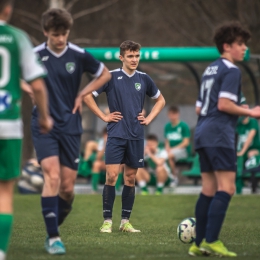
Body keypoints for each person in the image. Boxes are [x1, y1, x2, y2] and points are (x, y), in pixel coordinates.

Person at [31, 8, 111, 255]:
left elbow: (105, 74)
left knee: (67, 188)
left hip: (71, 126)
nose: (61, 39)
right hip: (44, 124)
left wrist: (83, 92)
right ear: (46, 32)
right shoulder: (33, 55)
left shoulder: (78, 55)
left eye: (64, 33)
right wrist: (30, 89)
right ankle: (54, 237)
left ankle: (52, 226)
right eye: (56, 34)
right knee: (52, 176)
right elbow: (19, 78)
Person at [188, 22, 260, 257]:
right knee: (227, 188)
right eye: (240, 44)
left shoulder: (210, 69)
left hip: (202, 131)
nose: (244, 49)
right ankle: (212, 240)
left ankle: (197, 244)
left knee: (209, 189)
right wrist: (249, 112)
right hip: (219, 134)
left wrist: (236, 107)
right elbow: (223, 105)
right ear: (227, 46)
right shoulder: (232, 70)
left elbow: (201, 108)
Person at [84, 40, 165, 233]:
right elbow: (87, 95)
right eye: (130, 56)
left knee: (130, 178)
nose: (134, 59)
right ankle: (107, 222)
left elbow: (160, 100)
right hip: (116, 135)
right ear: (121, 57)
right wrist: (104, 116)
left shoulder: (144, 78)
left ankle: (125, 222)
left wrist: (148, 117)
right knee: (112, 176)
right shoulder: (110, 76)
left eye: (137, 56)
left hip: (136, 136)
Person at [0, 1, 53, 259]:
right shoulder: (17, 38)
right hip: (8, 124)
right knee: (4, 192)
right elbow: (39, 86)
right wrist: (44, 116)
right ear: (7, 9)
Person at [164, 105, 191, 186]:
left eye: (174, 114)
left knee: (169, 155)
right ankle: (161, 179)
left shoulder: (183, 126)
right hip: (171, 150)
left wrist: (172, 149)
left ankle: (174, 178)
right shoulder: (167, 126)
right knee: (159, 155)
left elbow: (186, 143)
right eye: (170, 114)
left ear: (178, 114)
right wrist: (167, 147)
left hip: (183, 151)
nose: (172, 116)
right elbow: (167, 141)